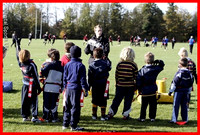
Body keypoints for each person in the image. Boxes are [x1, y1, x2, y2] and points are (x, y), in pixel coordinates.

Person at [63, 45, 89, 131]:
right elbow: (83, 80)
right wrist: (86, 89)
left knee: (67, 106)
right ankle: (73, 125)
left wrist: (64, 87)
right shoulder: (81, 66)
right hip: (76, 88)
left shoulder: (67, 64)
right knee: (75, 107)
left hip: (68, 87)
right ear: (80, 54)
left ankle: (65, 123)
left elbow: (64, 77)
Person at [15, 39, 42, 123]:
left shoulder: (20, 63)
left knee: (24, 101)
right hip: (32, 86)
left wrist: (17, 45)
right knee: (34, 101)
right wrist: (39, 87)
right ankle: (34, 116)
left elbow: (17, 55)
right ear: (28, 56)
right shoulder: (32, 65)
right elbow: (35, 77)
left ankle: (25, 116)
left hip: (25, 86)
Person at [107, 47, 138, 120]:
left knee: (117, 99)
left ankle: (111, 113)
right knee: (128, 100)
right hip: (130, 85)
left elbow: (116, 75)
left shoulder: (119, 64)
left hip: (120, 85)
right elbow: (136, 76)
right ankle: (126, 114)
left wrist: (116, 82)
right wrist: (136, 85)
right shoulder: (133, 65)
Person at [137, 52, 165, 122]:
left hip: (144, 90)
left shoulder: (142, 70)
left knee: (144, 105)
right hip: (153, 89)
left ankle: (142, 117)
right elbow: (162, 66)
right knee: (153, 105)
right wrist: (158, 61)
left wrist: (139, 89)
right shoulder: (155, 69)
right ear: (153, 61)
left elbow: (138, 80)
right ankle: (152, 117)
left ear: (145, 60)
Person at [40, 49, 63, 123]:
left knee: (46, 102)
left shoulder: (49, 65)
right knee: (54, 103)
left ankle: (46, 116)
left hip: (48, 86)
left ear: (51, 58)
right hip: (57, 87)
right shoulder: (62, 67)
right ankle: (54, 117)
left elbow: (42, 73)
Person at [88, 48, 111, 121]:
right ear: (102, 55)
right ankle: (103, 116)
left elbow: (89, 76)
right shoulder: (105, 63)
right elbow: (109, 67)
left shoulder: (91, 65)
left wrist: (89, 85)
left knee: (94, 99)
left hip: (95, 84)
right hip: (104, 84)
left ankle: (94, 115)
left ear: (94, 56)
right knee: (103, 100)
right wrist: (106, 59)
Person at [168, 58, 194, 124]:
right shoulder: (189, 73)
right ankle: (185, 119)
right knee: (184, 106)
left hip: (178, 91)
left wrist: (171, 91)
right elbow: (191, 83)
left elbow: (174, 83)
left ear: (180, 64)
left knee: (176, 105)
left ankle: (174, 119)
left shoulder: (179, 73)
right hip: (185, 91)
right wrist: (188, 92)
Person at [60, 42, 75, 113]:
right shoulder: (66, 58)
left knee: (66, 98)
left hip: (66, 81)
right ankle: (66, 112)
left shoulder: (64, 58)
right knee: (68, 99)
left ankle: (66, 112)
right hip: (68, 81)